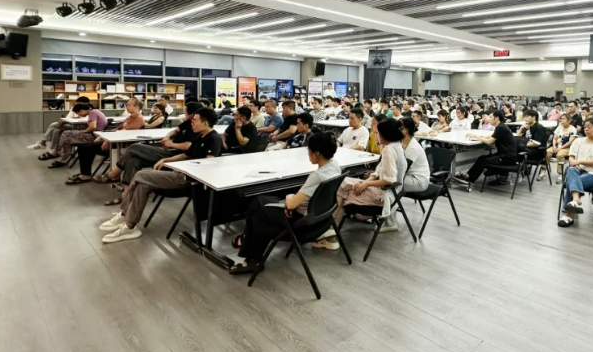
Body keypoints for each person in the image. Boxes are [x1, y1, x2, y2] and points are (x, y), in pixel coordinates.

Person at [99, 108, 222, 243]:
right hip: (180, 173)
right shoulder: (200, 137)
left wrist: (183, 169)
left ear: (205, 123)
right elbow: (186, 155)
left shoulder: (214, 139)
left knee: (141, 174)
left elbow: (208, 165)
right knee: (143, 185)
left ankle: (124, 213)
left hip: (189, 180)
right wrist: (166, 160)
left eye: (195, 121)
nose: (192, 123)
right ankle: (130, 225)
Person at [229, 132, 342, 274]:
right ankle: (249, 250)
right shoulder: (335, 166)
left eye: (309, 151)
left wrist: (290, 197)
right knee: (259, 211)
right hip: (323, 220)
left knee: (257, 206)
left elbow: (291, 205)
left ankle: (250, 254)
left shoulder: (317, 176)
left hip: (302, 222)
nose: (308, 154)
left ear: (317, 153)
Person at [314, 118, 408, 249]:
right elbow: (378, 172)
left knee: (340, 191)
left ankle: (331, 232)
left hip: (384, 195)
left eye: (377, 132)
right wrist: (365, 182)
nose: (375, 135)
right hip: (390, 191)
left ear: (384, 134)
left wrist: (366, 185)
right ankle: (331, 231)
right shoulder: (396, 146)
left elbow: (389, 180)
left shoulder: (389, 150)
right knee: (342, 183)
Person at [95, 101, 201, 190]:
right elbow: (175, 130)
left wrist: (171, 144)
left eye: (185, 111)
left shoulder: (196, 127)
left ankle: (113, 174)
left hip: (173, 153)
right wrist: (168, 137)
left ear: (192, 114)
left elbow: (189, 146)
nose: (184, 113)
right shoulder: (187, 123)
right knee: (132, 161)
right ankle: (127, 191)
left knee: (134, 147)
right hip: (166, 147)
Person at [65, 98, 146, 185]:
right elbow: (118, 129)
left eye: (128, 105)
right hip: (114, 142)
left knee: (85, 149)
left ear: (136, 107)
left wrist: (107, 140)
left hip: (119, 145)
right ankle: (85, 173)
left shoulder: (138, 119)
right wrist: (103, 136)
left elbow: (123, 133)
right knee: (82, 147)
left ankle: (85, 175)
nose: (126, 106)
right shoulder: (130, 117)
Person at [559, 117, 593, 227]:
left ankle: (569, 215)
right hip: (578, 170)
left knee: (572, 182)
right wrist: (573, 161)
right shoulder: (578, 141)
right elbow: (571, 156)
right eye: (585, 127)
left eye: (589, 127)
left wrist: (579, 161)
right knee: (571, 170)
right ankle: (576, 200)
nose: (586, 129)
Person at [455, 110, 517, 185]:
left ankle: (469, 179)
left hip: (508, 157)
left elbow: (489, 142)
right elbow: (491, 136)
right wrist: (480, 137)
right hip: (504, 155)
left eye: (491, 117)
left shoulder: (501, 127)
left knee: (483, 161)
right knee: (481, 158)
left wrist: (475, 136)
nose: (489, 119)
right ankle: (468, 176)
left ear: (496, 118)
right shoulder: (501, 126)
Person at [44, 103, 109, 167]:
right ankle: (61, 155)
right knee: (67, 137)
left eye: (78, 113)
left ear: (82, 111)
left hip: (95, 136)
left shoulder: (92, 113)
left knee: (65, 134)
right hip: (97, 134)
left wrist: (84, 131)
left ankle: (58, 153)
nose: (79, 115)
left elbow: (92, 127)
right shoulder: (95, 111)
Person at [398, 117, 431, 196]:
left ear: (405, 130)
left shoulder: (413, 147)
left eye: (398, 127)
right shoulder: (401, 142)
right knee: (385, 179)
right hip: (408, 176)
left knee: (389, 182)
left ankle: (387, 203)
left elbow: (403, 169)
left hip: (418, 181)